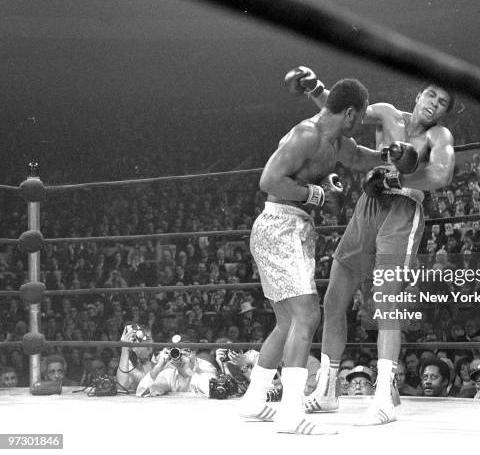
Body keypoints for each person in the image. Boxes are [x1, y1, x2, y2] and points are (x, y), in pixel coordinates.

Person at [301, 66, 455, 424]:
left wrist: (399, 173)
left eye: (442, 102)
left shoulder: (439, 136)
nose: (434, 103)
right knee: (334, 299)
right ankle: (327, 390)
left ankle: (384, 398)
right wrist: (315, 88)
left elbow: (442, 175)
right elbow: (344, 112)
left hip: (404, 209)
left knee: (387, 304)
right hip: (369, 205)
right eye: (431, 95)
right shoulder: (386, 114)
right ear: (418, 96)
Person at [239, 77, 393, 435]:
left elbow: (357, 157)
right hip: (279, 226)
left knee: (287, 322)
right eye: (361, 117)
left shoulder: (337, 140)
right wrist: (318, 195)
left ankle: (253, 399)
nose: (362, 124)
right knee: (307, 316)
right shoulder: (306, 135)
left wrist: (389, 156)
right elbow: (269, 180)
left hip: (293, 228)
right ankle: (291, 414)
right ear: (351, 113)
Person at [136, 333, 216, 397]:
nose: (181, 355)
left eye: (186, 350)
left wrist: (188, 372)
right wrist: (158, 367)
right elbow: (142, 392)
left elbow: (212, 392)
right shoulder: (169, 372)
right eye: (176, 352)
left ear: (195, 352)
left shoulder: (205, 367)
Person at [116, 324, 155, 391]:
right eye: (144, 340)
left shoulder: (160, 357)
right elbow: (122, 387)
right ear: (133, 347)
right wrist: (124, 348)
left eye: (149, 338)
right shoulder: (128, 365)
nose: (149, 342)